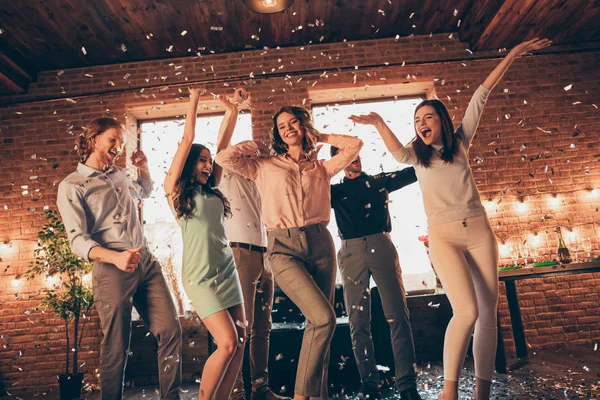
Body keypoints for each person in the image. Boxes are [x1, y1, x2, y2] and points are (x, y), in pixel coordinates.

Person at [349, 38, 552, 400]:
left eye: (428, 117)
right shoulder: (416, 154)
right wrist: (380, 121)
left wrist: (512, 53)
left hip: (478, 230)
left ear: (441, 120)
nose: (421, 123)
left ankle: (483, 393)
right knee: (467, 310)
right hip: (443, 236)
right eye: (416, 120)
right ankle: (449, 391)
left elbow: (482, 93)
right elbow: (396, 153)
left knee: (488, 312)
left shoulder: (460, 142)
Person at [215, 105, 363, 400]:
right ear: (277, 134)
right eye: (282, 126)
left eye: (294, 123)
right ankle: (301, 396)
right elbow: (224, 158)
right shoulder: (264, 165)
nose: (288, 128)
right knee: (324, 318)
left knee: (320, 326)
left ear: (304, 126)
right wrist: (257, 145)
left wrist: (320, 136)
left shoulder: (322, 166)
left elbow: (355, 145)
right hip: (283, 248)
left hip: (321, 244)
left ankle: (317, 394)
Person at [57, 117, 182, 400]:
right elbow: (77, 240)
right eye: (112, 139)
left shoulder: (121, 175)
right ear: (93, 140)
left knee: (171, 330)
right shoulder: (73, 185)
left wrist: (144, 167)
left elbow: (146, 191)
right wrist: (115, 258)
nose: (118, 146)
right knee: (116, 345)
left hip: (146, 263)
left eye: (122, 141)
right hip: (111, 268)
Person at [163, 87, 246, 399]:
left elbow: (223, 148)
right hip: (200, 277)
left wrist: (233, 110)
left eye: (209, 161)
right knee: (226, 342)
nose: (208, 165)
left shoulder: (213, 189)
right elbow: (186, 142)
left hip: (227, 270)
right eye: (201, 160)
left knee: (240, 338)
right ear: (188, 164)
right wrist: (194, 99)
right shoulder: (176, 193)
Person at [215, 88, 290, 400]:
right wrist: (233, 111)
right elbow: (221, 150)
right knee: (240, 330)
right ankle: (232, 393)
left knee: (263, 329)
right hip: (239, 254)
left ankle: (260, 389)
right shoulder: (227, 172)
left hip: (265, 256)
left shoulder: (262, 177)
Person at [329, 148, 421, 400]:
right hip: (350, 252)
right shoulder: (333, 191)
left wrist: (431, 151)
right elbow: (302, 193)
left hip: (381, 247)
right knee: (358, 322)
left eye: (355, 153)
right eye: (345, 156)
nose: (353, 159)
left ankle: (407, 384)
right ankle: (369, 381)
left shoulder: (379, 181)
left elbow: (413, 172)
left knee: (398, 316)